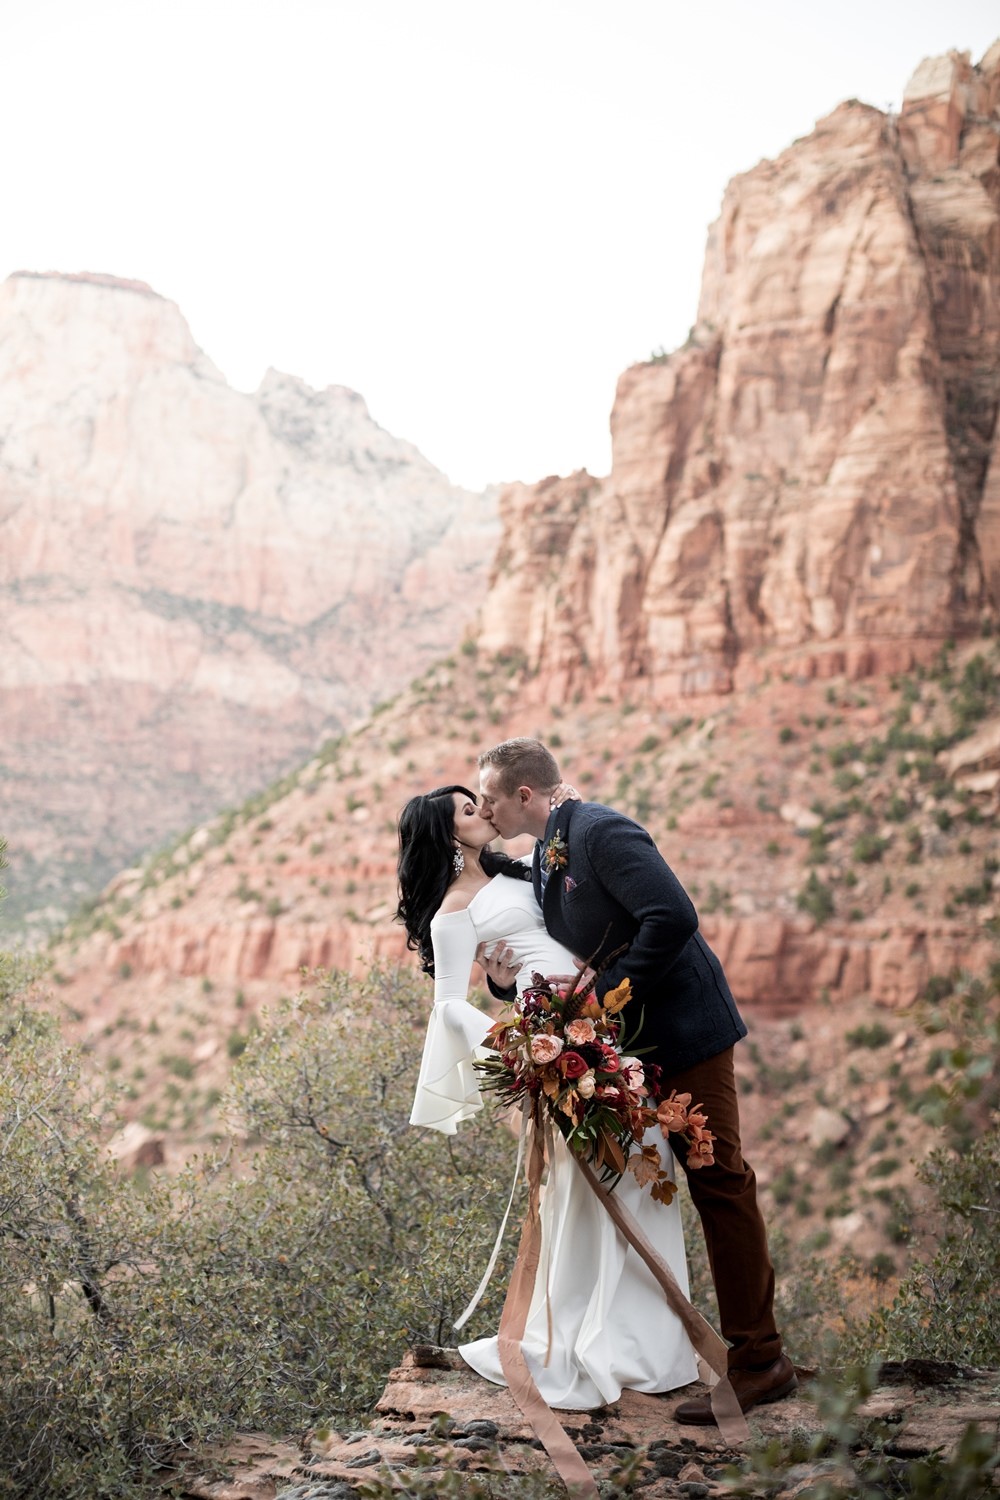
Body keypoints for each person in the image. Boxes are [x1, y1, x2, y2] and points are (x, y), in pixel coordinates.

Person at [476, 738, 797, 1425]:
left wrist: (611, 998)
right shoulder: (548, 853)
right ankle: (669, 1348)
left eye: (492, 798)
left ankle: (762, 1361)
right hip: (636, 1046)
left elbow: (674, 916)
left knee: (718, 1179)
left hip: (687, 1034)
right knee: (669, 1181)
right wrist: (510, 986)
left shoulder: (600, 831)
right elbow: (562, 950)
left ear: (525, 795)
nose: (486, 808)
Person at [396, 784, 699, 1410]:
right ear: (448, 835)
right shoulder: (451, 913)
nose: (481, 810)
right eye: (467, 810)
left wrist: (570, 809)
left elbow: (563, 894)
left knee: (648, 1169)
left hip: (601, 1028)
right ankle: (588, 1341)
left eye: (479, 801)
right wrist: (518, 1046)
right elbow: (449, 1004)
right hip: (554, 1048)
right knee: (592, 1187)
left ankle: (653, 1344)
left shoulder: (516, 871)